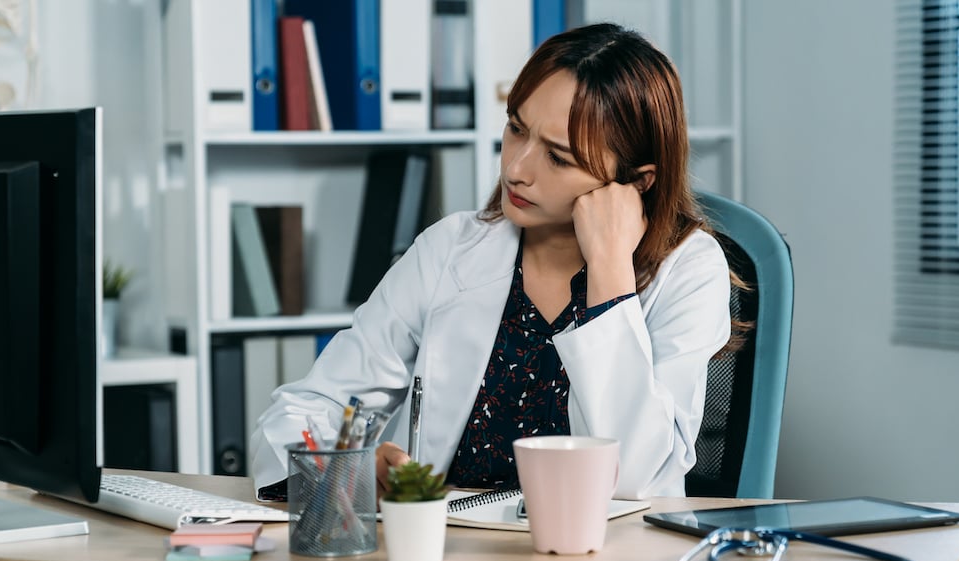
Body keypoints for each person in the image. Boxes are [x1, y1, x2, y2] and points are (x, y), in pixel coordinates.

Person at [249, 23, 736, 501]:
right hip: (453, 558)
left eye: (558, 158)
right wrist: (346, 469)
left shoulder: (689, 270)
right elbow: (309, 409)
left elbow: (632, 477)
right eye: (516, 128)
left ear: (637, 182)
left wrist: (609, 268)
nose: (516, 169)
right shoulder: (450, 248)